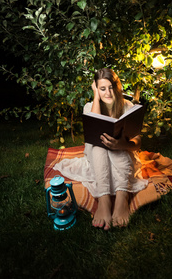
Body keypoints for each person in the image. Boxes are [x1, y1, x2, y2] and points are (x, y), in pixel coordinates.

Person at [53, 68, 148, 230]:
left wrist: (122, 144)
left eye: (111, 87)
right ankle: (103, 201)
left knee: (115, 150)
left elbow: (137, 142)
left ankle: (121, 198)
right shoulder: (90, 106)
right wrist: (96, 96)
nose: (108, 92)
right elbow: (94, 127)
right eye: (102, 89)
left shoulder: (127, 106)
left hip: (123, 154)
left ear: (117, 87)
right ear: (96, 89)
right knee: (99, 146)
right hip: (96, 155)